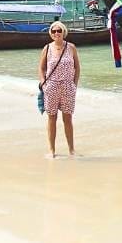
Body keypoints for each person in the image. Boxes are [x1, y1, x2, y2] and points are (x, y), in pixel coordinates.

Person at [38, 21, 81, 158]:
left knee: (67, 118)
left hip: (68, 86)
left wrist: (74, 84)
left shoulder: (71, 47)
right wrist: (44, 84)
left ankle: (71, 150)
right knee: (52, 118)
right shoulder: (47, 48)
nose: (56, 33)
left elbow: (77, 67)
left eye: (59, 31)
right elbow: (41, 68)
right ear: (51, 33)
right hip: (51, 86)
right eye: (54, 31)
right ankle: (51, 150)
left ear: (63, 32)